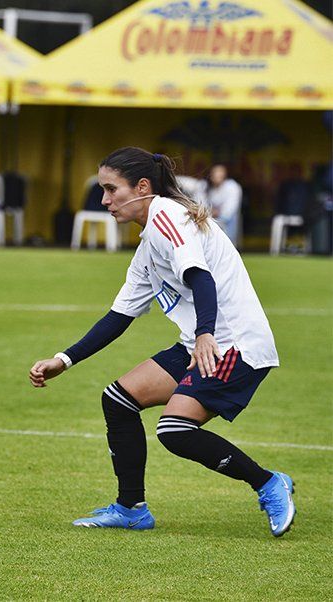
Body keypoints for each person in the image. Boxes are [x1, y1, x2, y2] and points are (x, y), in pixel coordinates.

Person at [29, 147, 295, 537]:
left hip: (234, 344)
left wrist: (204, 333)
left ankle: (269, 483)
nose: (104, 200)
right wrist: (63, 360)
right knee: (118, 399)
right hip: (200, 343)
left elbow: (200, 278)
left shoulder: (169, 216)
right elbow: (119, 318)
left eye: (110, 189)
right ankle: (131, 509)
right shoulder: (148, 247)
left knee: (174, 430)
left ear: (141, 186)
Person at [205, 164, 242, 247]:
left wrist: (218, 213)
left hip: (226, 220)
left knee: (231, 218)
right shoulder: (205, 187)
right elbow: (200, 205)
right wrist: (209, 212)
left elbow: (231, 209)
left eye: (220, 172)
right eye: (215, 173)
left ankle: (230, 245)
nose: (218, 175)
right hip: (209, 219)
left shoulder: (232, 186)